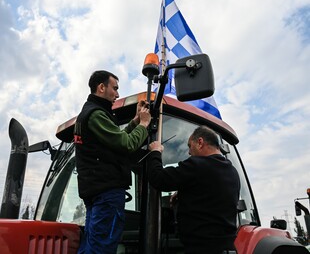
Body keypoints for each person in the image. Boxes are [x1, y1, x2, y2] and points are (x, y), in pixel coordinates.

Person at [74, 70, 151, 254]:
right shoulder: (96, 115)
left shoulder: (91, 114)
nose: (117, 94)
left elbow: (117, 140)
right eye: (115, 88)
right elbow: (128, 144)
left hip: (96, 192)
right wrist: (144, 124)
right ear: (101, 87)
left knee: (92, 246)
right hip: (107, 193)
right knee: (102, 248)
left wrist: (134, 120)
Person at [147, 125, 240, 254]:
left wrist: (155, 152)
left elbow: (158, 179)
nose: (189, 152)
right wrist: (183, 192)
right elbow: (210, 193)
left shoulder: (197, 165)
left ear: (200, 142)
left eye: (189, 146)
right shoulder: (232, 172)